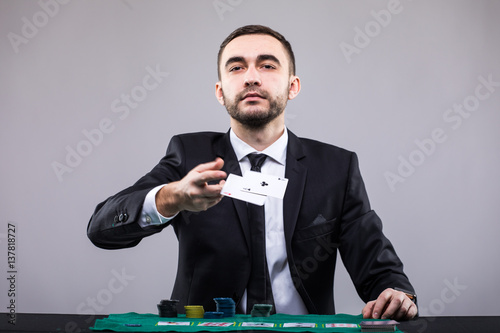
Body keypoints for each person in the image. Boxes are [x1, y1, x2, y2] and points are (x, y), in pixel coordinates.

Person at [87, 25, 418, 320]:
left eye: (267, 65)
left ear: (293, 86)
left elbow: (377, 264)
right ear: (220, 92)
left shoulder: (336, 168)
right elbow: (101, 227)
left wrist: (395, 293)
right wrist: (172, 197)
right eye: (236, 67)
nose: (251, 76)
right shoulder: (189, 156)